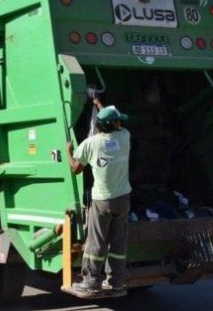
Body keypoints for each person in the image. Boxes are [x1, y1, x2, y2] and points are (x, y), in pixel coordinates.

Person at [66, 99, 131, 296]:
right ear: (114, 125)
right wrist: (99, 104)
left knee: (96, 241)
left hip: (103, 201)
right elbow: (113, 123)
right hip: (123, 199)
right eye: (118, 120)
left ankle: (91, 281)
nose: (121, 123)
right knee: (118, 243)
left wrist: (68, 151)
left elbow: (76, 169)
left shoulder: (92, 144)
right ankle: (116, 282)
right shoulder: (124, 137)